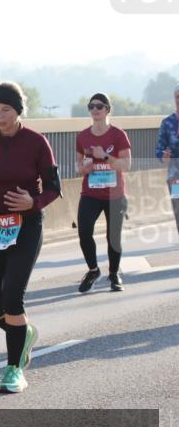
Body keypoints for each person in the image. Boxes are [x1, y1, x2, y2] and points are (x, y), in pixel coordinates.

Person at [0, 82, 61, 395]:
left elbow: (53, 187)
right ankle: (25, 333)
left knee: (12, 297)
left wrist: (32, 203)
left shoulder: (36, 142)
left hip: (26, 224)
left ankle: (13, 368)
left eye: (5, 110)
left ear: (18, 111)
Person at [76, 93, 132, 293]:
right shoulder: (83, 136)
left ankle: (114, 273)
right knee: (84, 231)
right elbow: (78, 165)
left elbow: (126, 164)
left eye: (99, 106)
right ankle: (93, 270)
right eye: (91, 106)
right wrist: (85, 167)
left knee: (113, 236)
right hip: (90, 193)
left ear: (107, 109)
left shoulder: (118, 135)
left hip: (114, 194)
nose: (95, 110)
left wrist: (105, 157)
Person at [155, 83, 179, 236]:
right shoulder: (167, 123)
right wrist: (164, 156)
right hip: (175, 176)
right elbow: (159, 150)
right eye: (177, 97)